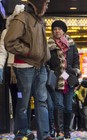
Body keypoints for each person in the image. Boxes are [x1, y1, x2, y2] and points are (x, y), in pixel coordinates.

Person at [4, 0, 55, 140]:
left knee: (41, 101)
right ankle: (21, 133)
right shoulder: (22, 18)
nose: (47, 6)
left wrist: (44, 56)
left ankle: (44, 135)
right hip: (25, 66)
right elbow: (9, 41)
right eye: (46, 3)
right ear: (38, 3)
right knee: (23, 102)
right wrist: (28, 52)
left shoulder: (39, 20)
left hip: (41, 66)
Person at [47, 20, 80, 139]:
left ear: (63, 31)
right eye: (54, 29)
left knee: (69, 107)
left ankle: (67, 131)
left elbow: (76, 58)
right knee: (58, 105)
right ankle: (59, 131)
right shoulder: (49, 45)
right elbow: (46, 62)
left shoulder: (71, 44)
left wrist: (76, 70)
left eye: (59, 29)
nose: (57, 31)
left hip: (69, 77)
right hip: (56, 78)